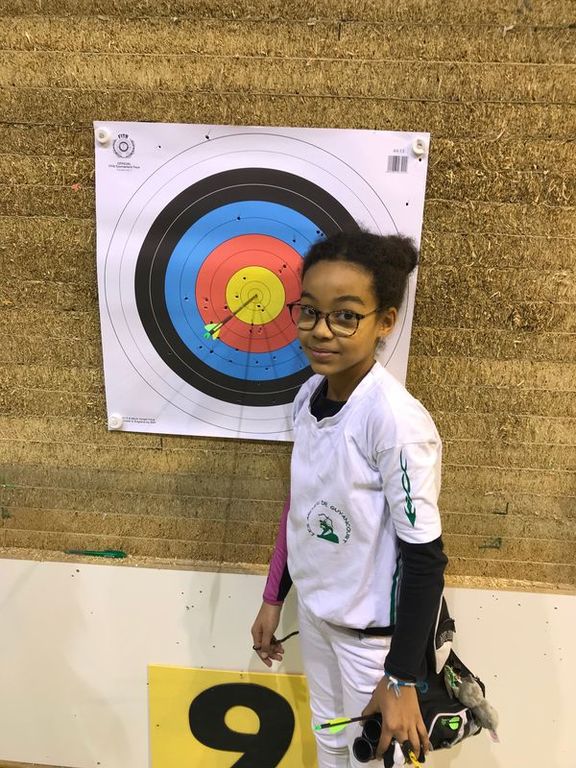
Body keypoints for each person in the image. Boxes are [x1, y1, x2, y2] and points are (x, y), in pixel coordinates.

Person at [251, 230, 447, 767]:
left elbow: (425, 558)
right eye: (309, 311)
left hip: (374, 646)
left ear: (385, 322)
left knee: (373, 760)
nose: (320, 330)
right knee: (331, 744)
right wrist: (273, 598)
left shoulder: (395, 422)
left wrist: (401, 677)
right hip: (318, 621)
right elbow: (300, 508)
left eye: (345, 316)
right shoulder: (307, 396)